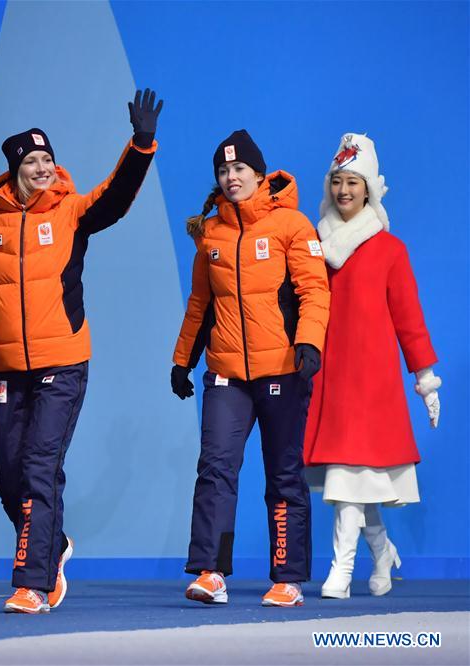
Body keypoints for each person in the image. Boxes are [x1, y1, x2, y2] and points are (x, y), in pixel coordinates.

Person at [0, 89, 162, 613]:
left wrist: (140, 145)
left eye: (48, 159)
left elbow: (113, 198)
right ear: (14, 170)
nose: (43, 168)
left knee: (41, 467)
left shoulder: (70, 212)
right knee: (7, 472)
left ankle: (33, 583)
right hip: (7, 369)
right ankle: (54, 543)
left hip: (62, 361)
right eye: (32, 161)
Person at [171, 130, 330, 607]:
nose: (230, 177)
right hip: (226, 374)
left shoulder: (293, 226)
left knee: (283, 474)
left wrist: (309, 343)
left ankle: (287, 578)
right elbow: (200, 304)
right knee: (215, 469)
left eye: (239, 169)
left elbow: (314, 291)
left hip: (282, 368)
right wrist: (183, 361)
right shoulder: (211, 233)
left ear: (260, 175)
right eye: (223, 171)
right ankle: (211, 571)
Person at [303, 133, 440, 599]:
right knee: (354, 480)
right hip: (329, 381)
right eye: (337, 182)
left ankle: (341, 570)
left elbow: (410, 320)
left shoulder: (390, 250)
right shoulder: (313, 247)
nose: (344, 191)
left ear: (369, 190)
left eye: (353, 183)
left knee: (350, 481)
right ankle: (381, 552)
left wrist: (426, 379)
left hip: (372, 384)